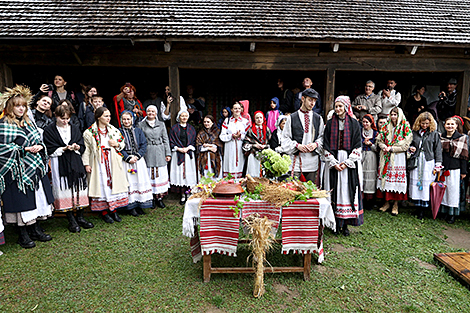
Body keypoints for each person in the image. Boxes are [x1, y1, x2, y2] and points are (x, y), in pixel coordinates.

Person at [0, 85, 54, 248]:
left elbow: (38, 139)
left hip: (34, 167)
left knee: (36, 199)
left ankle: (35, 228)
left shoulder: (28, 122)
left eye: (23, 105)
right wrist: (24, 149)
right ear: (10, 106)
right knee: (21, 202)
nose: (21, 108)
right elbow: (2, 148)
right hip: (17, 170)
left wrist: (39, 146)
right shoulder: (3, 124)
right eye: (17, 105)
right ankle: (22, 234)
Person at [43, 105, 93, 232]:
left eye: (67, 118)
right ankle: (71, 220)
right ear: (56, 116)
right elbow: (48, 148)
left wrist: (76, 147)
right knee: (64, 189)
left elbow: (82, 145)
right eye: (62, 118)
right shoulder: (49, 130)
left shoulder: (75, 128)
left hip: (75, 162)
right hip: (59, 163)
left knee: (79, 188)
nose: (65, 121)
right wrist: (64, 149)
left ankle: (80, 217)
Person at [323, 96, 363, 235]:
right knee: (335, 191)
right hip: (334, 161)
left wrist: (346, 163)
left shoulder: (353, 123)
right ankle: (335, 223)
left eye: (340, 106)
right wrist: (333, 162)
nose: (338, 109)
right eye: (336, 106)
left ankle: (345, 225)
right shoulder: (329, 123)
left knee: (346, 191)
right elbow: (325, 144)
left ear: (346, 107)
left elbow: (358, 145)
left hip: (347, 162)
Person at [82, 107, 129, 224]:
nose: (109, 118)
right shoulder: (89, 132)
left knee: (113, 184)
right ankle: (104, 211)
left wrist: (116, 144)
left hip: (112, 160)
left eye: (109, 116)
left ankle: (114, 210)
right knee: (101, 185)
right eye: (106, 116)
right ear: (98, 117)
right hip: (98, 162)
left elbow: (122, 143)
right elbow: (86, 150)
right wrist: (86, 164)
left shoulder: (113, 130)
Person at [282, 88, 324, 183]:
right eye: (310, 100)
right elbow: (284, 138)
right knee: (295, 192)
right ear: (302, 99)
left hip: (312, 162)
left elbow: (322, 137)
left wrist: (316, 144)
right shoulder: (291, 118)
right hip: (296, 161)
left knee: (311, 192)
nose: (312, 103)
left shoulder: (318, 118)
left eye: (314, 101)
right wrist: (297, 146)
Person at [376, 107, 412, 215]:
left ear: (399, 115)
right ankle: (386, 202)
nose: (393, 117)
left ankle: (396, 204)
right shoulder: (386, 127)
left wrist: (392, 149)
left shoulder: (405, 127)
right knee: (386, 178)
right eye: (391, 114)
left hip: (398, 156)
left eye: (395, 115)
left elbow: (406, 145)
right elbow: (379, 140)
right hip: (386, 155)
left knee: (396, 180)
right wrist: (384, 147)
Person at [408, 112, 442, 220]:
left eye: (427, 123)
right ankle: (417, 206)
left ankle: (423, 210)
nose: (424, 125)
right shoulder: (414, 133)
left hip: (428, 161)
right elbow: (411, 145)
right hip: (417, 160)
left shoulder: (434, 134)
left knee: (425, 183)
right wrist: (411, 149)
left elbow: (437, 150)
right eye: (422, 123)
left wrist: (438, 165)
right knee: (416, 182)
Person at [119, 111, 153, 216]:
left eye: (128, 119)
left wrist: (137, 156)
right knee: (130, 183)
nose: (126, 121)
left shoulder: (138, 131)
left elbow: (144, 144)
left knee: (139, 181)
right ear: (121, 120)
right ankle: (131, 206)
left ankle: (140, 204)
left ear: (132, 120)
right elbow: (118, 147)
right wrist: (127, 157)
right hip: (127, 161)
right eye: (124, 119)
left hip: (138, 160)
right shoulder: (118, 132)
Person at [138, 105, 171, 209]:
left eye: (153, 111)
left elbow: (165, 139)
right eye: (149, 111)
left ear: (156, 113)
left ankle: (159, 198)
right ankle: (151, 197)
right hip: (148, 151)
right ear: (146, 113)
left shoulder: (161, 124)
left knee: (160, 174)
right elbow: (139, 140)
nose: (151, 113)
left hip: (160, 151)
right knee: (149, 174)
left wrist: (168, 153)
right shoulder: (141, 124)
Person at [439, 116, 468, 224]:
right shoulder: (441, 137)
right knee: (443, 190)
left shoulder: (461, 138)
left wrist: (463, 172)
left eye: (452, 124)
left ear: (456, 126)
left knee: (453, 191)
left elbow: (464, 155)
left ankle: (451, 214)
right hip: (443, 168)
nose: (450, 126)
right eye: (448, 124)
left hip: (455, 169)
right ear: (444, 125)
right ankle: (443, 211)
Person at [169, 110, 197, 205]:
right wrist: (178, 149)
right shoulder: (174, 128)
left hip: (188, 154)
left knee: (188, 175)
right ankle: (182, 195)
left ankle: (189, 194)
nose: (184, 117)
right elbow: (171, 140)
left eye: (186, 116)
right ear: (179, 117)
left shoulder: (191, 129)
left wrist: (188, 148)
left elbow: (194, 141)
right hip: (178, 153)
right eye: (182, 116)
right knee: (180, 175)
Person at [220, 102, 250, 179]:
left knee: (240, 163)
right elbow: (222, 136)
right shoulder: (227, 121)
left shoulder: (245, 121)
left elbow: (249, 137)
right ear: (232, 110)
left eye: (239, 108)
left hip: (240, 146)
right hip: (229, 146)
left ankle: (239, 182)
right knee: (229, 163)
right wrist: (231, 136)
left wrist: (241, 136)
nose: (237, 110)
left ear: (241, 110)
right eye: (235, 108)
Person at [243, 111, 272, 177]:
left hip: (265, 154)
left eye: (260, 118)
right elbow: (245, 144)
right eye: (257, 118)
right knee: (253, 173)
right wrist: (254, 145)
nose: (259, 119)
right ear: (254, 119)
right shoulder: (250, 130)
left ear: (263, 119)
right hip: (253, 154)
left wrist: (265, 146)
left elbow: (271, 142)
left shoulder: (267, 130)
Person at [196, 115, 223, 179]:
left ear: (212, 122)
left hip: (215, 157)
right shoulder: (201, 133)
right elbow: (198, 146)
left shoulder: (217, 132)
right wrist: (209, 148)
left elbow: (219, 145)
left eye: (208, 122)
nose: (206, 123)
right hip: (203, 157)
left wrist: (207, 145)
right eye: (205, 122)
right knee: (205, 175)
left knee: (214, 175)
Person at [361, 114, 379, 208]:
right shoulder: (360, 131)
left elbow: (377, 148)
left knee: (370, 176)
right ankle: (362, 199)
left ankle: (370, 201)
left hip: (371, 156)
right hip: (361, 154)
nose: (365, 124)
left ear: (371, 123)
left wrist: (370, 144)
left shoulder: (375, 133)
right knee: (362, 176)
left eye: (367, 122)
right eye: (363, 122)